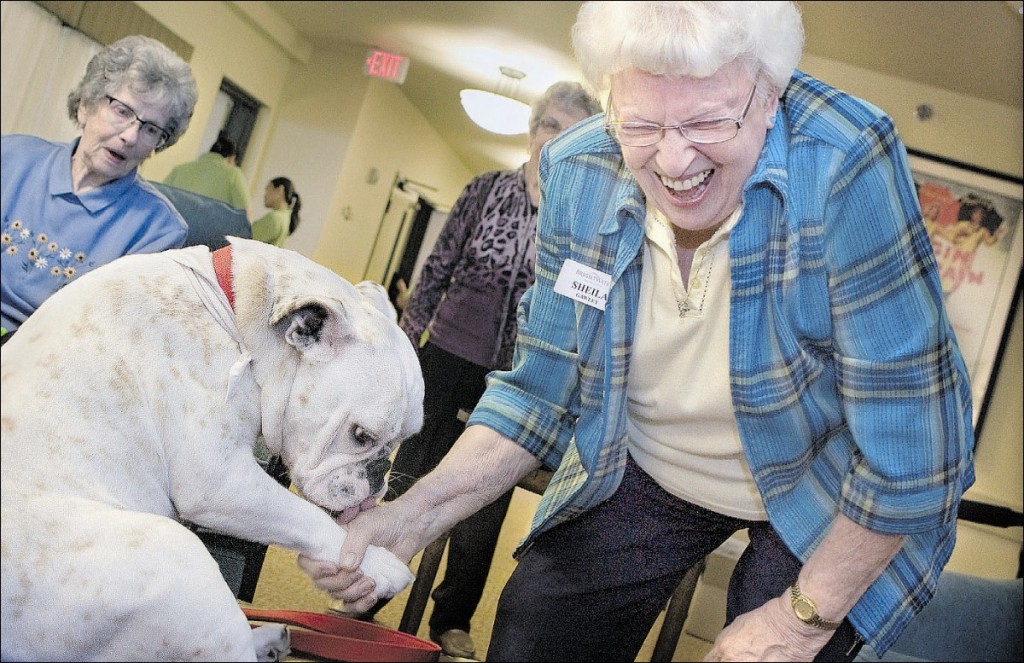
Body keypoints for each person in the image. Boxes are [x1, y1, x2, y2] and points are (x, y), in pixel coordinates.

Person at [300, 3, 975, 662]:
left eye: (708, 121)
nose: (675, 161)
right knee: (540, 621)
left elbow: (918, 448)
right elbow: (539, 390)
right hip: (647, 460)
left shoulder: (843, 163)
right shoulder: (578, 170)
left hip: (823, 471)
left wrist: (800, 622)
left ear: (770, 97)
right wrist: (407, 519)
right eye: (642, 125)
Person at [328, 80, 602, 660]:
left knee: (485, 496)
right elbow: (436, 272)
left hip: (517, 374)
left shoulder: (581, 215)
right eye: (550, 124)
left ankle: (451, 616)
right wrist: (403, 350)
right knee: (413, 473)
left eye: (573, 130)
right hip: (448, 355)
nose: (556, 139)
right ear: (533, 133)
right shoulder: (485, 191)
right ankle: (369, 590)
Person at [1, 35, 198, 344]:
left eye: (151, 129)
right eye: (122, 111)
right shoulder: (10, 158)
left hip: (43, 358)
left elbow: (105, 336)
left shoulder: (158, 229)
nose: (131, 136)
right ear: (85, 106)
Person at [164, 133, 251, 220]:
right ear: (231, 158)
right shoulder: (233, 174)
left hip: (175, 227)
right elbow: (245, 214)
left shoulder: (180, 169)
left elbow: (162, 198)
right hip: (209, 231)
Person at [251, 176, 301, 247]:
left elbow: (245, 239)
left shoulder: (275, 218)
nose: (265, 195)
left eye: (268, 189)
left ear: (280, 190)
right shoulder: (286, 217)